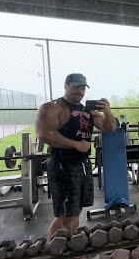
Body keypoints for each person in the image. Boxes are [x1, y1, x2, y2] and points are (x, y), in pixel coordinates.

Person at [36, 73, 117, 240]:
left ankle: (72, 244)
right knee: (65, 214)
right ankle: (53, 253)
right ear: (66, 85)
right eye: (76, 86)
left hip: (82, 164)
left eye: (82, 88)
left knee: (77, 209)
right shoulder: (52, 107)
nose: (80, 91)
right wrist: (76, 144)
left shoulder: (87, 110)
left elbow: (109, 128)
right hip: (63, 165)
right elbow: (44, 134)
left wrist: (108, 113)